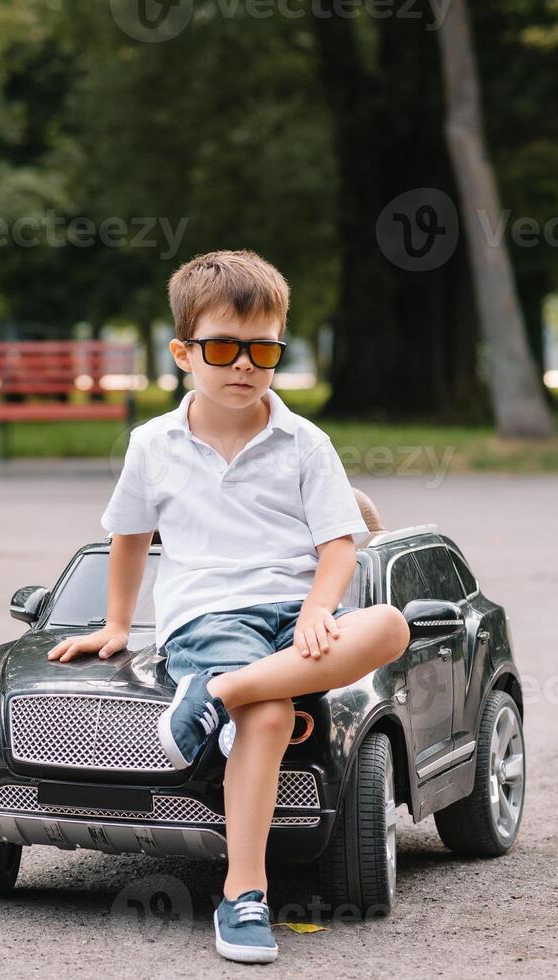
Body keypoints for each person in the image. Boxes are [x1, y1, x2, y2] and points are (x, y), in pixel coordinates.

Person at [45, 249, 411, 965]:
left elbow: (341, 545)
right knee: (271, 716)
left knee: (390, 625)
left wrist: (316, 611)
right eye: (222, 347)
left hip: (291, 615)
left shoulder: (306, 443)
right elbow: (129, 540)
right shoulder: (153, 444)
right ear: (184, 352)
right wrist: (116, 625)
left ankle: (216, 695)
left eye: (263, 350)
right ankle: (245, 895)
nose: (244, 365)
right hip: (211, 618)